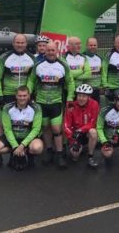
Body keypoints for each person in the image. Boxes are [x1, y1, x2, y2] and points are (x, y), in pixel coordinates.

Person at [27, 41, 75, 169]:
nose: (50, 52)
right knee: (45, 127)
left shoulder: (63, 65)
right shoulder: (38, 65)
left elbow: (70, 82)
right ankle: (49, 151)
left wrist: (70, 97)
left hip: (56, 102)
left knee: (56, 129)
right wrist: (28, 95)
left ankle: (59, 154)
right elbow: (31, 81)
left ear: (57, 51)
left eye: (53, 50)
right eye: (48, 50)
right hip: (41, 102)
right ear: (45, 51)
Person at [0, 33, 35, 168]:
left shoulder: (32, 58)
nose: (20, 45)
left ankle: (22, 152)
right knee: (2, 125)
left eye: (22, 43)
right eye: (18, 42)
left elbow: (32, 79)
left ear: (26, 44)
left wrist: (28, 94)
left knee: (24, 123)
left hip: (24, 95)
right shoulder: (4, 57)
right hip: (7, 94)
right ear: (13, 43)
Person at [0, 85, 43, 171]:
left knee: (37, 148)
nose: (22, 98)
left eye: (24, 95)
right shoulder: (7, 107)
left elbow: (36, 129)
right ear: (16, 96)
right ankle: (15, 151)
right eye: (20, 96)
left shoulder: (36, 108)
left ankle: (26, 153)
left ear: (28, 96)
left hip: (27, 138)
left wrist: (22, 145)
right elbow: (7, 129)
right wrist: (15, 146)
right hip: (12, 138)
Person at [63, 84, 100, 168]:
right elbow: (66, 125)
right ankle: (77, 148)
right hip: (74, 134)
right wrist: (72, 138)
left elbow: (93, 122)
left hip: (85, 132)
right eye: (79, 95)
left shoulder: (94, 104)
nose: (81, 98)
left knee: (93, 132)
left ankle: (90, 156)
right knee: (75, 155)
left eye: (84, 96)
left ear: (88, 97)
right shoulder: (71, 105)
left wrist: (81, 130)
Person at [84, 37, 103, 103]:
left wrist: (102, 86)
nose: (93, 47)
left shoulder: (99, 58)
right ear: (86, 46)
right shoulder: (82, 57)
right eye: (91, 45)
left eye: (94, 45)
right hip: (85, 91)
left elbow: (102, 73)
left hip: (96, 91)